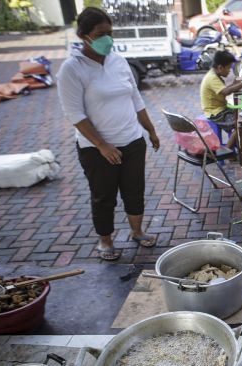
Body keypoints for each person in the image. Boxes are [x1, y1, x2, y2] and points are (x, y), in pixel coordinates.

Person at [57, 7, 160, 261]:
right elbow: (74, 114)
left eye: (110, 33)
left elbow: (136, 98)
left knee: (134, 191)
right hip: (96, 150)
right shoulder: (72, 69)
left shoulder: (118, 60)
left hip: (133, 141)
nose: (108, 39)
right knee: (104, 197)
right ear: (83, 35)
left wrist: (151, 130)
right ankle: (105, 241)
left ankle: (137, 232)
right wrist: (102, 145)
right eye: (101, 33)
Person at [200, 50, 242, 150]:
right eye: (228, 68)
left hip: (221, 109)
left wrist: (236, 83)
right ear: (220, 67)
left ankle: (237, 147)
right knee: (241, 124)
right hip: (216, 113)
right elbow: (225, 91)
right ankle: (227, 151)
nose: (229, 71)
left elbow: (225, 89)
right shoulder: (212, 78)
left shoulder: (215, 75)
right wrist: (241, 85)